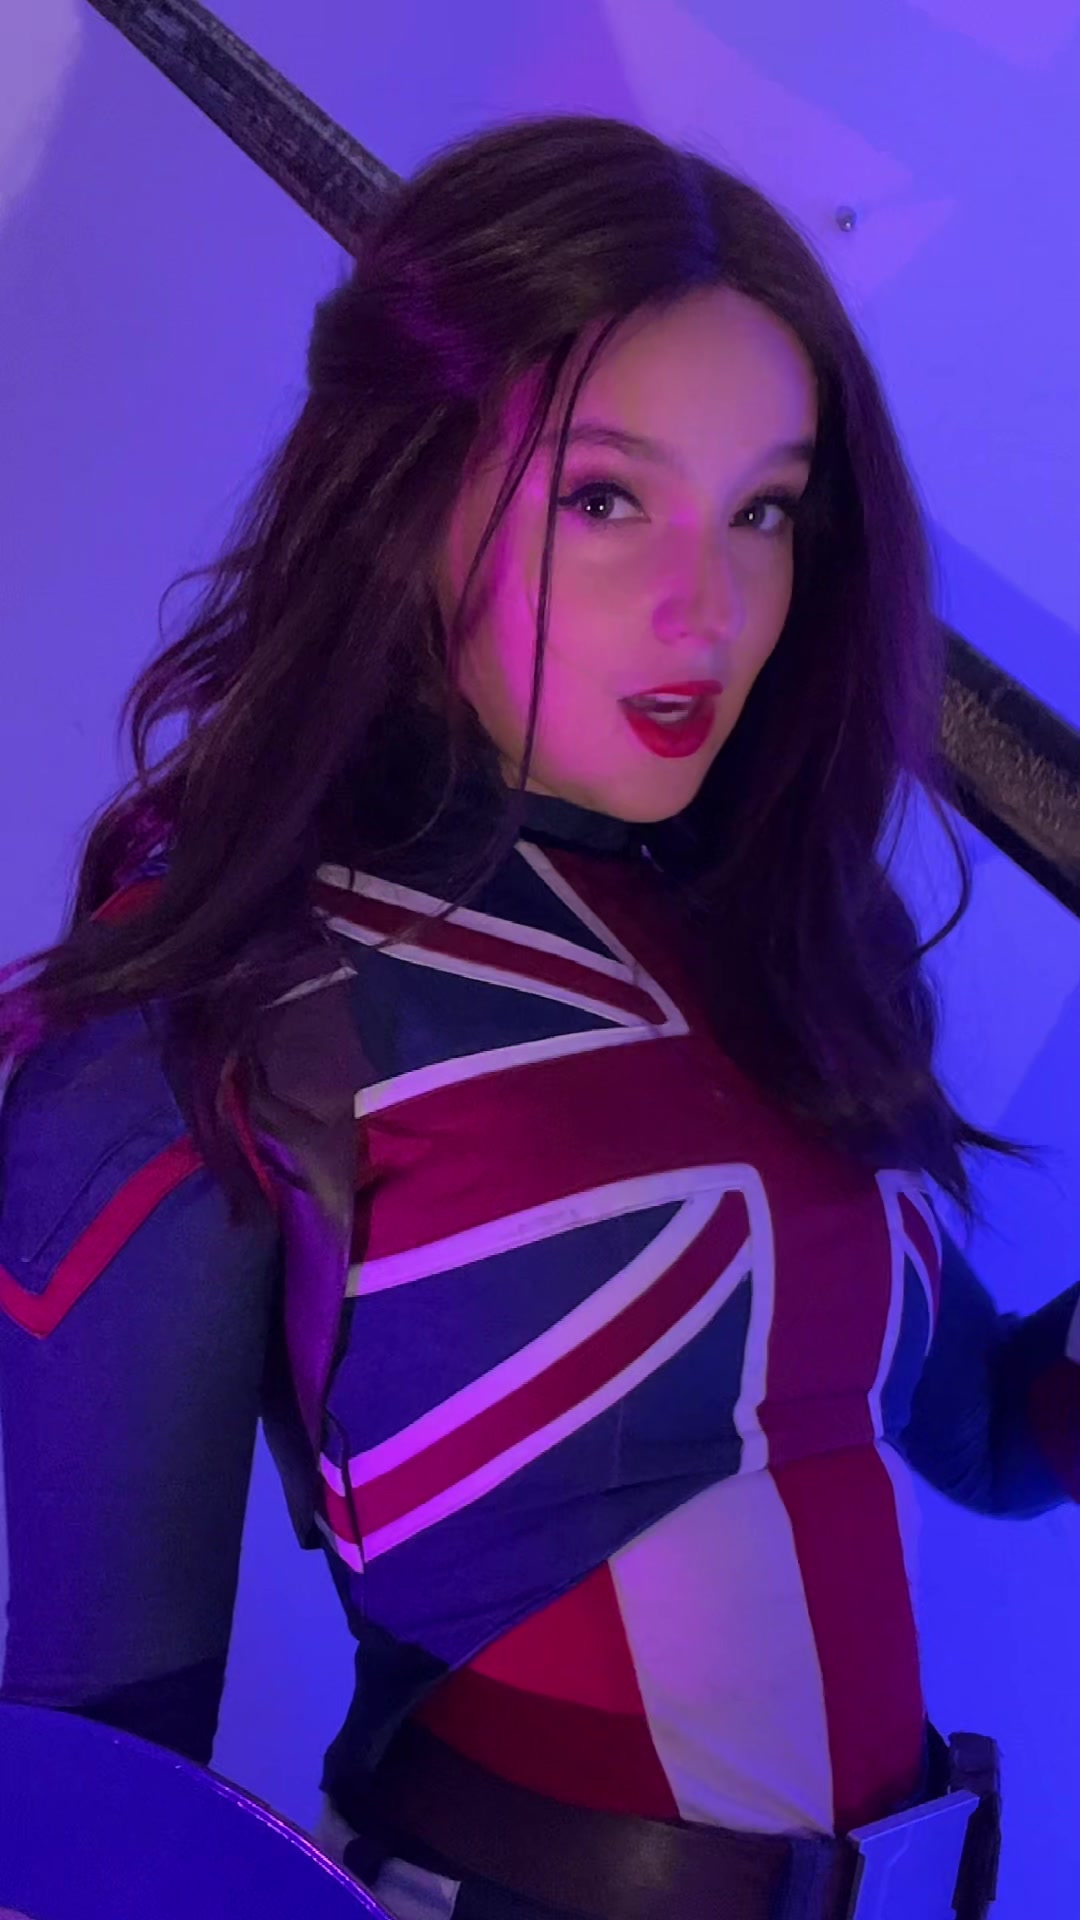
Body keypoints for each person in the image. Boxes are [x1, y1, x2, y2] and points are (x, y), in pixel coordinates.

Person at [0, 112, 1076, 1920]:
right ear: (410, 495)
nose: (707, 606)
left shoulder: (798, 944)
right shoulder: (227, 1008)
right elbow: (99, 1781)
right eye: (605, 499)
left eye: (764, 510)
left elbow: (977, 1423)